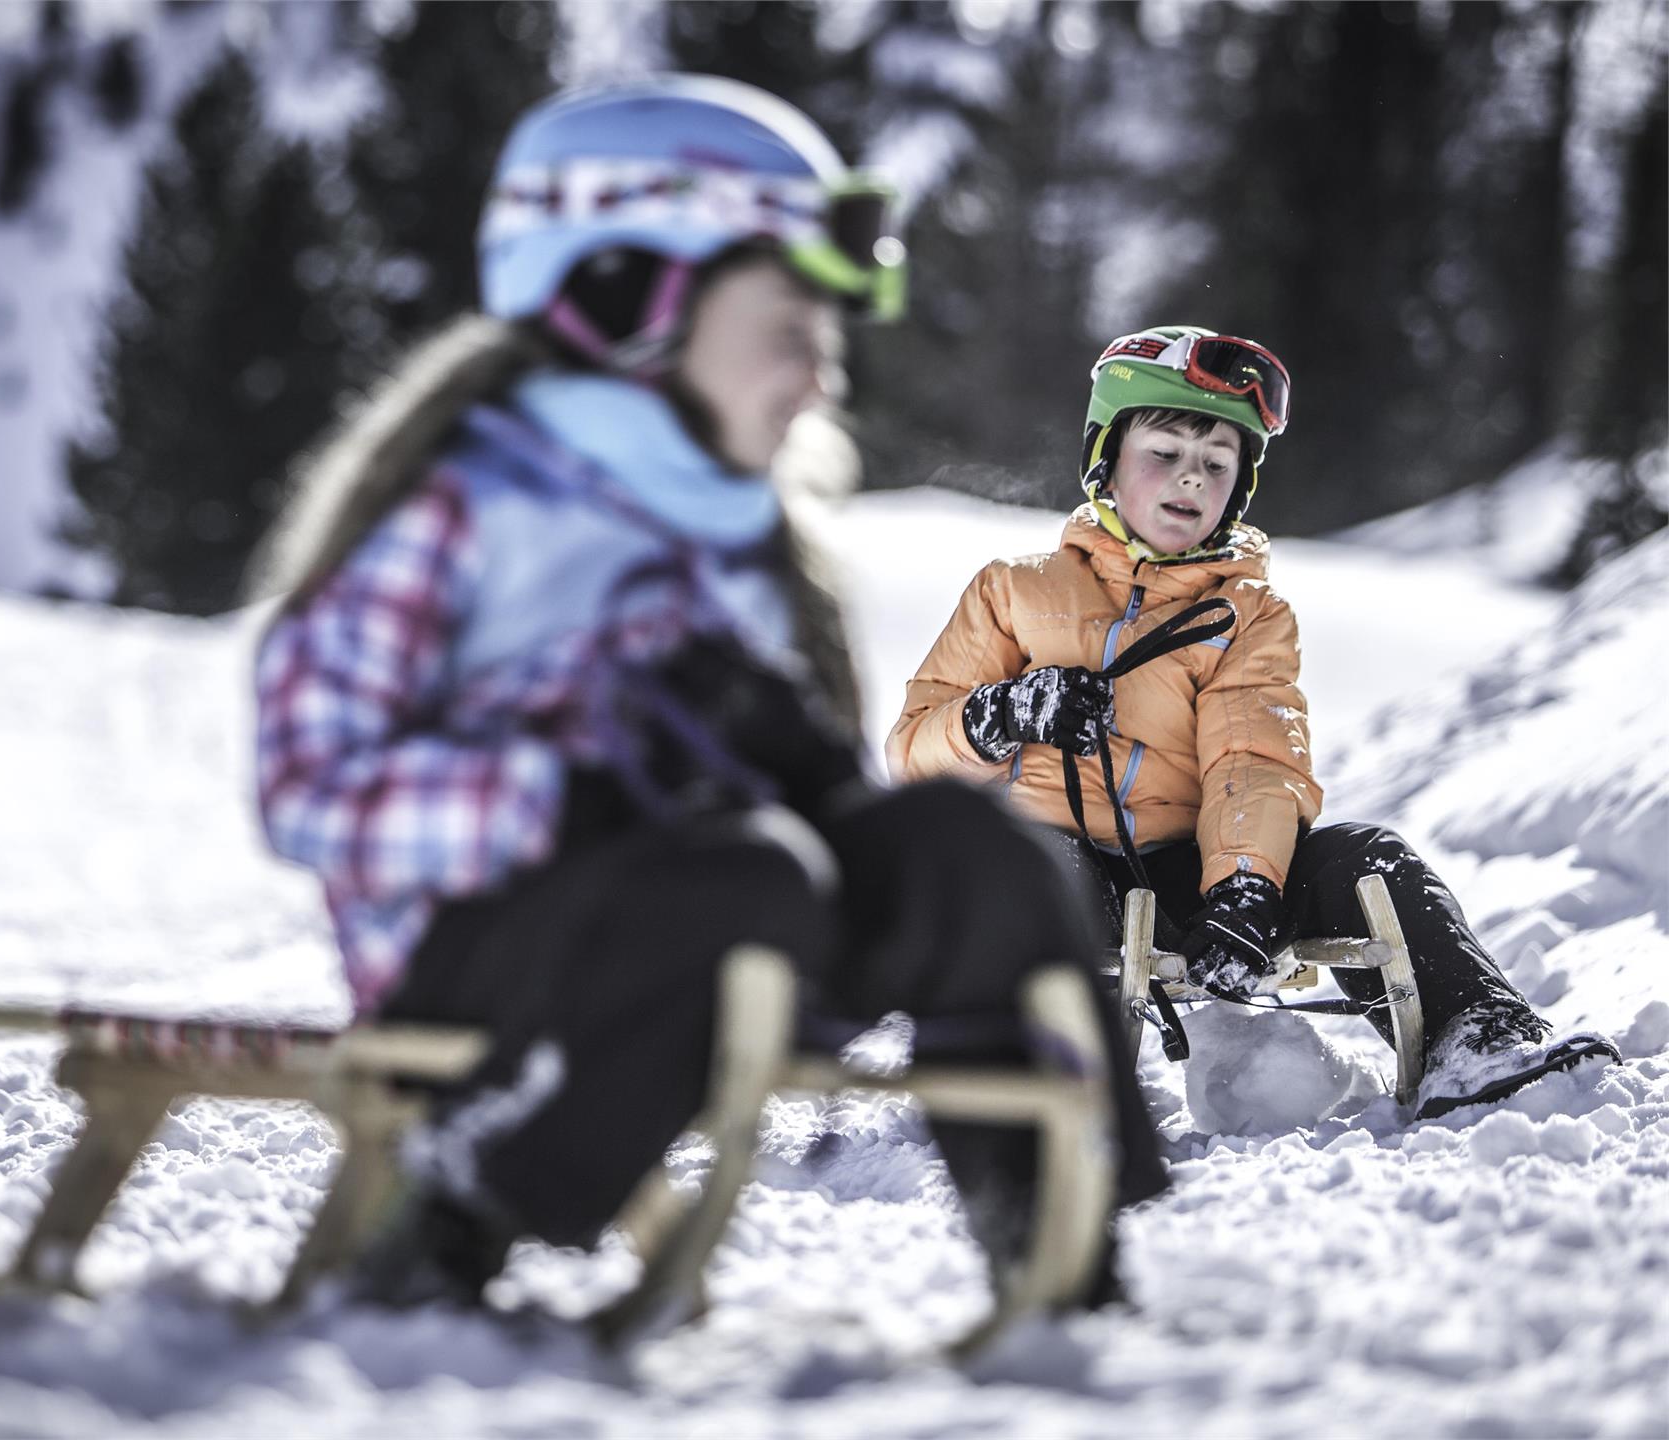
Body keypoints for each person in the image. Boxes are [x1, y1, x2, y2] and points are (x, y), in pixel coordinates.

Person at [250, 77, 1166, 1313]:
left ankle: (1053, 1220)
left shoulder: (738, 542)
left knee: (967, 842)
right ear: (624, 294)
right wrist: (561, 792)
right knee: (743, 874)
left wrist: (801, 773)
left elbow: (798, 787)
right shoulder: (463, 513)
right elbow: (306, 790)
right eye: (791, 329)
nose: (821, 380)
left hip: (737, 924)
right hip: (488, 971)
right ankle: (456, 1210)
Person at [885, 325, 1620, 1121]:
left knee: (1366, 858)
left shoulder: (1248, 616)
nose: (1188, 480)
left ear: (1238, 488)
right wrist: (1000, 715)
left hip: (1189, 869)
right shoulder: (1012, 591)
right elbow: (915, 751)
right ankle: (1023, 1069)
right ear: (1106, 457)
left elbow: (1253, 756)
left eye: (1214, 464)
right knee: (1019, 865)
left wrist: (1244, 887)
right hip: (1050, 860)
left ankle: (1475, 1034)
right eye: (1163, 453)